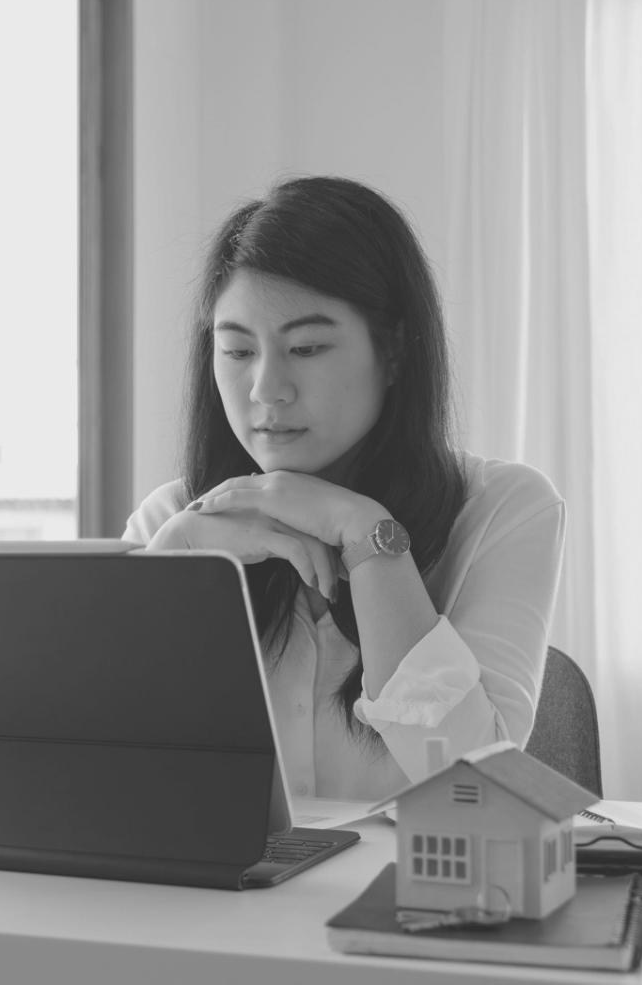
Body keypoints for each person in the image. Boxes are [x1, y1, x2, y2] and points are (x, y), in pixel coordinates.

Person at [124, 176, 565, 800]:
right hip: (229, 898)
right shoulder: (175, 519)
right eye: (237, 351)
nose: (266, 389)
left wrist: (367, 537)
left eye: (305, 348)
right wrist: (171, 574)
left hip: (409, 894)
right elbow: (111, 779)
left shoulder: (503, 509)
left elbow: (479, 785)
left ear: (393, 353)